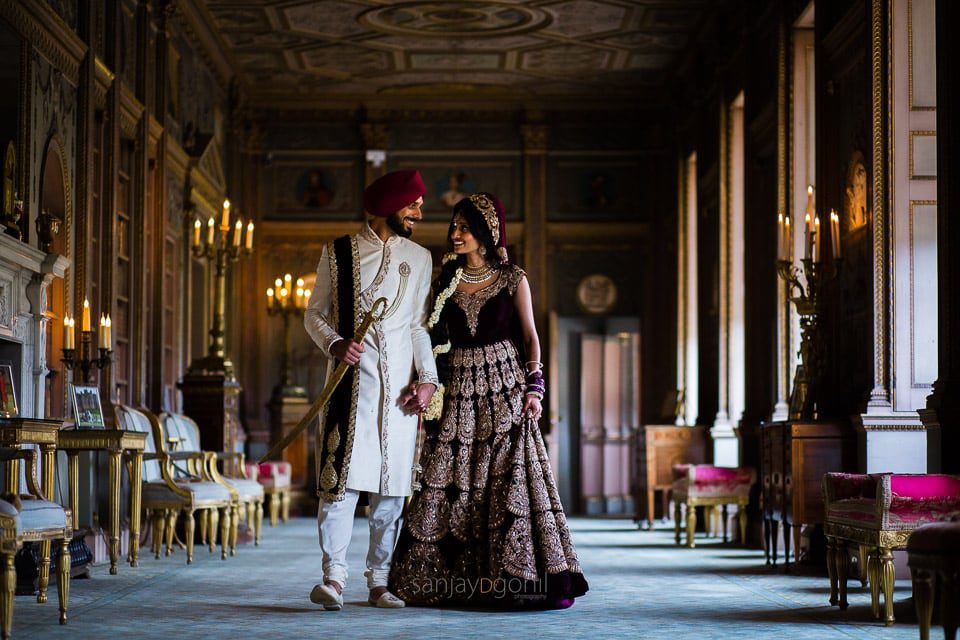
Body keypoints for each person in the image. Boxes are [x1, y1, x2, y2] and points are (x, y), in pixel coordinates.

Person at [388, 193, 588, 608]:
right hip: (459, 388)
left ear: (485, 233)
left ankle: (515, 577)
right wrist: (426, 381)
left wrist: (535, 388)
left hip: (505, 387)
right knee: (455, 477)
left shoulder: (513, 278)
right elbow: (426, 333)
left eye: (464, 227)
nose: (455, 234)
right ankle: (449, 580)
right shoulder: (445, 279)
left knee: (508, 477)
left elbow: (531, 336)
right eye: (454, 227)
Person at [304, 169, 439, 611]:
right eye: (413, 204)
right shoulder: (338, 252)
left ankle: (379, 581)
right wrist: (335, 342)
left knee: (392, 488)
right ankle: (334, 578)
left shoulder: (420, 257)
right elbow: (313, 314)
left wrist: (428, 379)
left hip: (399, 389)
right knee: (340, 484)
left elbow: (419, 325)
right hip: (350, 386)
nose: (419, 212)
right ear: (388, 207)